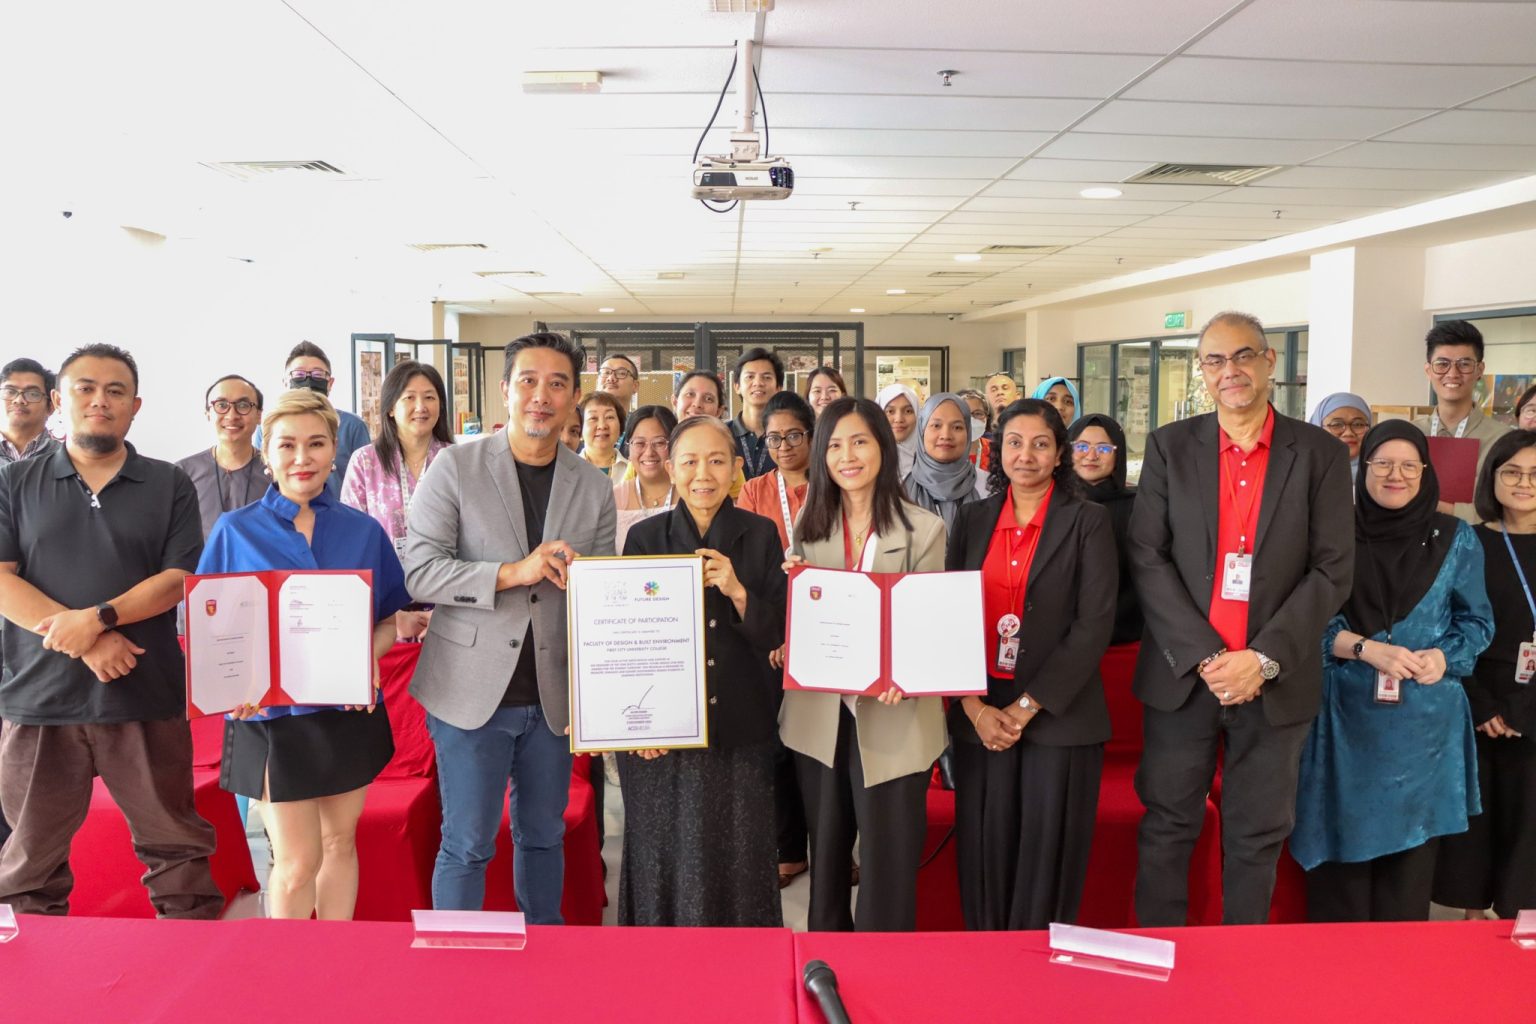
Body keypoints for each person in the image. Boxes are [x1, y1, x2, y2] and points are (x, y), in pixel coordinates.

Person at [1129, 311, 1355, 926]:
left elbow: (1333, 569)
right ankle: (1161, 954)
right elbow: (1147, 556)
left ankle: (1240, 962)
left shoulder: (1319, 454)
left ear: (1269, 362)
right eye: (1215, 360)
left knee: (1257, 834)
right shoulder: (1170, 447)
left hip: (1274, 680)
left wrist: (1261, 659)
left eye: (1243, 356)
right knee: (1168, 824)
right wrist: (1207, 656)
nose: (1230, 370)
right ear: (1202, 371)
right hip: (1184, 676)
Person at [0, 343, 221, 918]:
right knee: (27, 867)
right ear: (58, 401)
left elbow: (179, 578)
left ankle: (192, 965)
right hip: (40, 700)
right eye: (86, 388)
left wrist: (99, 619)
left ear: (135, 406)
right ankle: (28, 973)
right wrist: (89, 643)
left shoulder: (169, 483)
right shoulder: (13, 483)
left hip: (144, 694)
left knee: (178, 856)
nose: (100, 400)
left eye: (116, 391)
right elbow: (1, 580)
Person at [403, 331, 616, 922]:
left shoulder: (593, 485)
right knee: (468, 843)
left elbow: (601, 593)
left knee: (544, 836)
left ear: (574, 398)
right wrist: (512, 573)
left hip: (553, 696)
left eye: (557, 384)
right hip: (469, 691)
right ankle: (456, 962)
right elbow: (420, 571)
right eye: (528, 381)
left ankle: (544, 956)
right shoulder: (455, 467)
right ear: (505, 390)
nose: (541, 396)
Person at [199, 388, 409, 920]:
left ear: (334, 451)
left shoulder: (363, 531)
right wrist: (228, 686)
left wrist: (366, 661)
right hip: (270, 718)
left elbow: (388, 619)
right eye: (287, 444)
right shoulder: (234, 531)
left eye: (316, 444)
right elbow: (210, 628)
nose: (302, 457)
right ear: (266, 453)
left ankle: (335, 958)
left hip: (346, 711)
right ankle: (288, 965)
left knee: (340, 844)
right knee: (296, 862)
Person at [1292, 421, 1490, 922]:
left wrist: (1444, 656)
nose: (1394, 475)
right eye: (1382, 463)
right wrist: (1362, 648)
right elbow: (1302, 618)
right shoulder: (1332, 530)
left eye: (1408, 465)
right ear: (1363, 468)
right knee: (1342, 859)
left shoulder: (1456, 538)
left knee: (1408, 872)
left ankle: (1398, 967)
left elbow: (1477, 621)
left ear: (1425, 472)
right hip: (1344, 721)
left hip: (1423, 730)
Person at [947, 398, 1116, 929]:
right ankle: (986, 958)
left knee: (1047, 853)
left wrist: (1024, 708)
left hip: (1058, 714)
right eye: (1014, 443)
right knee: (985, 849)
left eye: (1041, 444)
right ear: (997, 451)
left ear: (1059, 454)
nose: (1026, 455)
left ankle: (1037, 963)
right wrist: (972, 707)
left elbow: (1094, 624)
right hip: (982, 713)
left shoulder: (1088, 521)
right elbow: (948, 614)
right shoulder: (972, 519)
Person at [780, 396, 948, 932]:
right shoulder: (809, 526)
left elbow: (929, 627)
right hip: (820, 716)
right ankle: (825, 958)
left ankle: (883, 967)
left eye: (859, 442)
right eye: (834, 445)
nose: (847, 456)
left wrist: (908, 673)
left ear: (884, 447)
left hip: (895, 716)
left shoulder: (924, 530)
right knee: (826, 857)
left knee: (887, 864)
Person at [619, 415, 787, 927]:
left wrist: (737, 591)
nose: (702, 474)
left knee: (738, 854)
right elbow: (630, 640)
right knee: (664, 855)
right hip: (664, 733)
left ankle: (741, 963)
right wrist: (637, 730)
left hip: (741, 726)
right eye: (689, 462)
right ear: (670, 468)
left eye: (716, 461)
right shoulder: (646, 537)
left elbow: (776, 633)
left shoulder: (761, 534)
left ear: (736, 469)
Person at [1435, 430, 1536, 919]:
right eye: (1511, 471)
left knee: (1528, 819)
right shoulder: (1465, 541)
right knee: (1474, 819)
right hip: (1473, 693)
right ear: (1491, 477)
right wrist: (1479, 702)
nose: (1524, 483)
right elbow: (1443, 625)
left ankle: (1522, 924)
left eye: (1535, 474)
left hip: (1532, 701)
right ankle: (1470, 922)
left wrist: (1523, 707)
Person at [735, 389, 814, 888]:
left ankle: (830, 846)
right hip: (771, 630)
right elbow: (748, 567)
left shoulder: (832, 487)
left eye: (794, 435)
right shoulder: (754, 490)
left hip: (825, 628)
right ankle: (788, 848)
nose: (784, 446)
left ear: (812, 435)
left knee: (821, 748)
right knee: (779, 743)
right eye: (774, 438)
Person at [340, 360, 453, 641]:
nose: (421, 407)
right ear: (390, 407)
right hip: (384, 618)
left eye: (430, 397)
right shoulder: (365, 462)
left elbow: (475, 542)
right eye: (409, 398)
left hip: (448, 613)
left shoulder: (457, 461)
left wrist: (448, 615)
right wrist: (391, 617)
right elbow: (351, 545)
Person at [1413, 321, 1510, 523]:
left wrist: (1432, 506)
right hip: (1412, 538)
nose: (1452, 374)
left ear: (1479, 370)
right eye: (1442, 364)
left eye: (1464, 364)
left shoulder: (1502, 439)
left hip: (1478, 540)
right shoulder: (1410, 434)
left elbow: (1504, 509)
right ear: (1428, 370)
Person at [261, 341, 372, 503]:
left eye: (318, 375)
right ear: (285, 382)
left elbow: (367, 479)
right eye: (298, 375)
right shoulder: (270, 426)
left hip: (338, 513)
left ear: (330, 383)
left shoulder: (353, 426)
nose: (308, 381)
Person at [1069, 413, 1143, 645]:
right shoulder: (1052, 503)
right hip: (1062, 636)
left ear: (1118, 455)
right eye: (1082, 446)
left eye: (1103, 449)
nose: (1091, 456)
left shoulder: (1139, 506)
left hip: (1125, 633)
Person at [176, 376, 267, 538]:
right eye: (222, 405)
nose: (232, 415)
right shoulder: (182, 473)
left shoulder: (276, 473)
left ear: (259, 415)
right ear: (208, 414)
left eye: (243, 405)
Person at [904, 392, 983, 533]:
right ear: (922, 431)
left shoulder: (988, 486)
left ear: (968, 432)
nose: (946, 435)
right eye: (936, 425)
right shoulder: (899, 489)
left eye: (957, 427)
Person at [612, 405, 678, 552]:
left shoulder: (691, 494)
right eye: (639, 443)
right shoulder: (613, 498)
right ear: (628, 449)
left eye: (659, 443)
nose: (649, 452)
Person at [673, 369, 747, 499]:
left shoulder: (727, 457)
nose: (697, 404)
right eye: (690, 394)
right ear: (675, 402)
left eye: (708, 399)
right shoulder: (654, 450)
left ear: (719, 411)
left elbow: (739, 504)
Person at [729, 347, 784, 481]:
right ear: (737, 386)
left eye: (767, 377)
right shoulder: (721, 434)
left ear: (778, 388)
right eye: (750, 377)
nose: (758, 383)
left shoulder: (786, 437)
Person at [0, 358, 59, 465]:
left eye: (32, 394)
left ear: (51, 407)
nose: (19, 400)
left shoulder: (68, 457)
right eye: (10, 391)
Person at [1308, 392, 1372, 479]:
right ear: (1318, 427)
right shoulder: (1301, 472)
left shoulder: (1382, 472)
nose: (1348, 433)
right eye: (1336, 424)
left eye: (1358, 424)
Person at [578, 390, 629, 478]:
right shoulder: (566, 470)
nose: (602, 426)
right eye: (593, 418)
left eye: (609, 417)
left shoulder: (633, 471)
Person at [876, 383, 920, 480]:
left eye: (908, 411)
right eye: (890, 411)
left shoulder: (931, 458)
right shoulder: (869, 459)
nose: (899, 419)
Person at [957, 388, 993, 471]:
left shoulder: (996, 450)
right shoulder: (944, 449)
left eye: (978, 413)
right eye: (964, 413)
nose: (971, 419)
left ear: (987, 417)